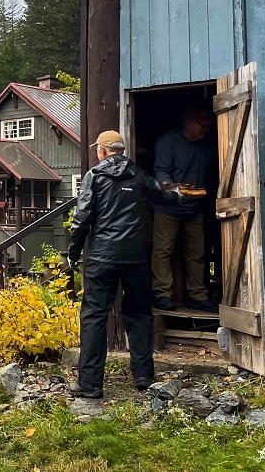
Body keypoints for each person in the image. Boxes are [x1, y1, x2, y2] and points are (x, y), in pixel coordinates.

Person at [66, 130, 189, 399]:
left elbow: (82, 217)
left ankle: (89, 384)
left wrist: (72, 252)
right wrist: (188, 190)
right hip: (136, 257)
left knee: (94, 317)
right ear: (120, 151)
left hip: (101, 257)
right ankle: (144, 375)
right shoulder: (139, 175)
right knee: (139, 315)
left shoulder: (94, 176)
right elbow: (165, 194)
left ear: (101, 151)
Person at [151, 108, 217, 312]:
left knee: (197, 253)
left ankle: (198, 295)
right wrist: (174, 189)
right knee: (163, 251)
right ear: (188, 123)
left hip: (195, 208)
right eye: (202, 125)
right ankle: (162, 295)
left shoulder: (206, 147)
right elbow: (161, 172)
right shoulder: (167, 142)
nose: (206, 128)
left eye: (207, 125)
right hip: (167, 208)